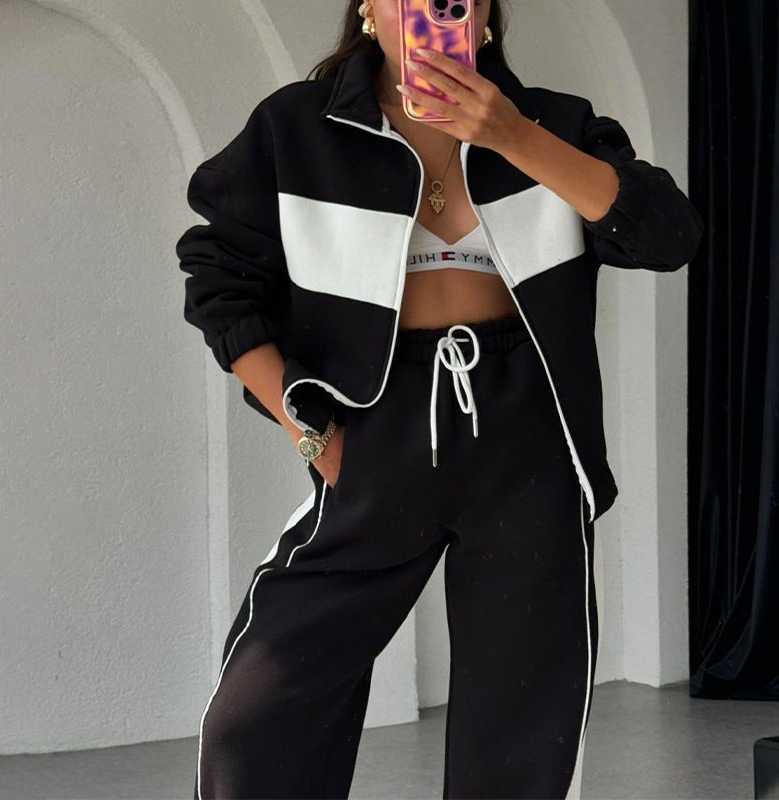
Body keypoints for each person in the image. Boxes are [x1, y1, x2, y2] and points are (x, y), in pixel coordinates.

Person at [175, 1, 704, 797]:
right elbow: (219, 279)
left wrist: (513, 137)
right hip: (375, 425)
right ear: (368, 10)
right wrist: (305, 427)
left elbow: (668, 236)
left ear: (483, 15)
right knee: (259, 715)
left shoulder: (553, 126)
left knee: (521, 728)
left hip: (527, 433)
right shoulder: (297, 130)